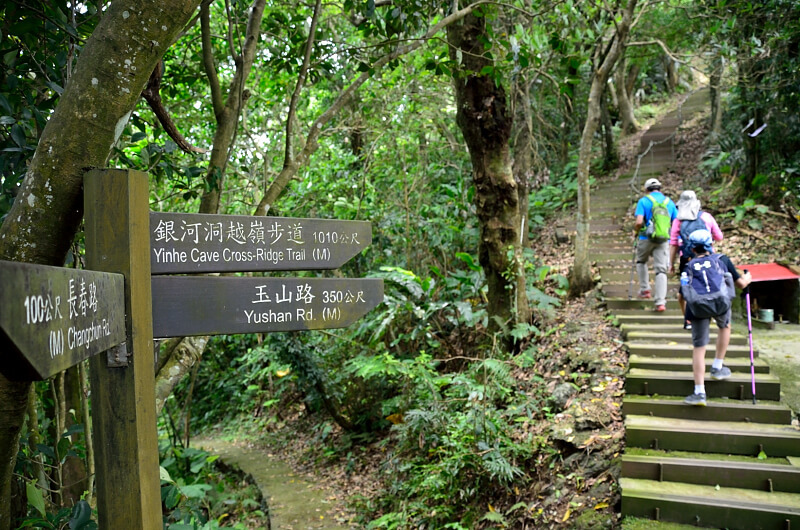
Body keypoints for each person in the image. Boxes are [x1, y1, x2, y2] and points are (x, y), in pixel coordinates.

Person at [682, 229, 752, 406]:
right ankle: (717, 366)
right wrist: (748, 277)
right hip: (721, 304)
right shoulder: (722, 260)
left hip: (697, 308)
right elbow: (741, 284)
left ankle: (699, 392)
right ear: (710, 244)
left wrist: (686, 316)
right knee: (724, 326)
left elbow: (682, 294)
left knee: (699, 347)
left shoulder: (688, 266)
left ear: (692, 248)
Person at [669, 190, 724, 329]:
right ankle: (711, 315)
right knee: (709, 287)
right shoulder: (706, 217)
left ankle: (688, 320)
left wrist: (671, 263)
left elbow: (673, 244)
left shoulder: (678, 221)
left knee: (684, 292)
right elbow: (719, 237)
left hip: (688, 260)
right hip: (709, 259)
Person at [633, 178, 678, 311]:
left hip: (645, 237)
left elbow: (639, 222)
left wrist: (636, 232)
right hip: (663, 239)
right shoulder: (669, 202)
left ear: (646, 189)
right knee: (661, 270)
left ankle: (645, 290)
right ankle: (660, 302)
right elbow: (676, 222)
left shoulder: (643, 201)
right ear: (660, 189)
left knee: (641, 262)